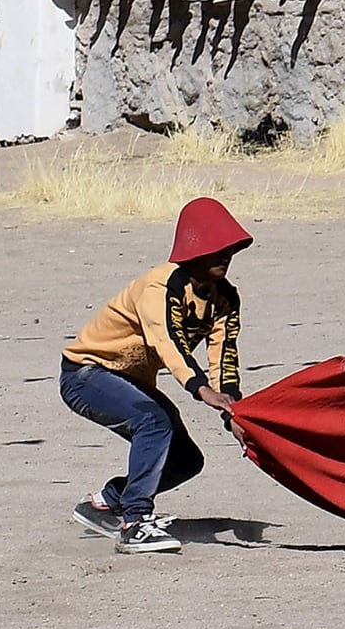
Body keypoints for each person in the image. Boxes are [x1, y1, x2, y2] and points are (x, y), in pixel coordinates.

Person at [60, 197, 251, 556]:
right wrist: (201, 390)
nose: (226, 255)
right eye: (218, 247)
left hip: (128, 380)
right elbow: (168, 342)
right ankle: (135, 523)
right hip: (85, 374)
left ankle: (105, 504)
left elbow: (224, 356)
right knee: (153, 421)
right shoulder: (161, 287)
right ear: (195, 247)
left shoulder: (225, 299)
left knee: (186, 460)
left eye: (231, 248)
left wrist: (236, 414)